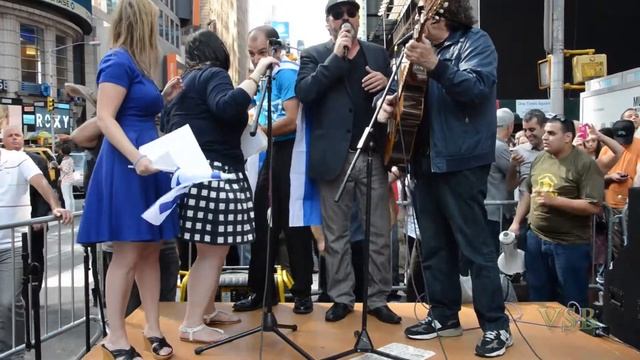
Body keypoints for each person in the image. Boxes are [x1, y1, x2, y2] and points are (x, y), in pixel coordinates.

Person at [378, 0, 512, 356]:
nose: (420, 11)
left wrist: (435, 64)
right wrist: (395, 102)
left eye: (425, 6)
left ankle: (496, 326)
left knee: (476, 248)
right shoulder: (422, 51)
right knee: (434, 246)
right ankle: (444, 315)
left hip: (462, 160)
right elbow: (418, 102)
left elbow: (476, 90)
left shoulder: (475, 41)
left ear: (443, 11)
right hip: (424, 160)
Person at [76, 1, 183, 359]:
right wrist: (137, 157)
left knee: (151, 249)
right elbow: (105, 118)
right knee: (128, 253)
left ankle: (151, 326)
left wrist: (162, 99)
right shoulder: (118, 60)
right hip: (130, 165)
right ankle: (116, 335)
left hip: (144, 163)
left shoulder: (133, 63)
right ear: (142, 23)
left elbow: (129, 113)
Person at [162, 29, 277, 344]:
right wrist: (255, 75)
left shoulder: (184, 86)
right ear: (218, 53)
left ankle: (206, 310)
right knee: (213, 253)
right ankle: (192, 324)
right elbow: (227, 107)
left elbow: (169, 126)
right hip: (218, 175)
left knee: (210, 250)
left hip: (194, 174)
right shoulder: (213, 74)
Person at [296, 0, 400, 325]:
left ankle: (378, 298)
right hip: (334, 159)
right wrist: (336, 58)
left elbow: (399, 88)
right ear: (327, 21)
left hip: (372, 154)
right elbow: (305, 92)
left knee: (379, 233)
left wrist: (387, 84)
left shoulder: (377, 53)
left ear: (358, 19)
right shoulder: (314, 55)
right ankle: (341, 297)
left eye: (351, 13)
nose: (345, 19)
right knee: (335, 235)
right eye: (337, 14)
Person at [233, 25, 315, 315]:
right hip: (271, 151)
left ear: (276, 49)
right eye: (252, 54)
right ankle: (261, 291)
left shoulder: (286, 74)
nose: (256, 59)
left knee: (294, 224)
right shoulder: (263, 79)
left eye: (262, 53)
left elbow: (292, 119)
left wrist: (259, 131)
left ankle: (302, 292)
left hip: (289, 151)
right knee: (262, 222)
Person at [509, 117, 603, 308]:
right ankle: (543, 337)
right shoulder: (541, 158)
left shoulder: (585, 164)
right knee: (538, 296)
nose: (545, 137)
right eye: (545, 133)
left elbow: (593, 206)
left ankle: (573, 337)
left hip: (569, 245)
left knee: (573, 300)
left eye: (551, 133)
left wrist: (556, 201)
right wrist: (517, 222)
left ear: (568, 137)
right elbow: (528, 191)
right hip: (536, 239)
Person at [1, 127, 71, 356]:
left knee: (10, 301)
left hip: (15, 241)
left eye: (17, 135)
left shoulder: (24, 159)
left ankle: (15, 351)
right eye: (9, 135)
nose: (14, 139)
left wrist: (54, 206)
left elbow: (43, 186)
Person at [58, 143, 75, 213]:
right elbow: (73, 169)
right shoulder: (71, 159)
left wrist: (58, 167)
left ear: (63, 151)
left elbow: (65, 170)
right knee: (71, 196)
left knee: (66, 197)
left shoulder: (65, 161)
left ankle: (68, 213)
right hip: (71, 179)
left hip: (65, 180)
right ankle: (73, 211)